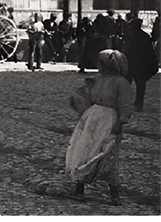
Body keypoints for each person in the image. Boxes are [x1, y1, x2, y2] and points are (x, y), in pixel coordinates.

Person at [66, 50, 134, 206]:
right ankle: (79, 189)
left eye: (100, 62)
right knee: (83, 149)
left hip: (108, 120)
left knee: (106, 153)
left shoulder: (121, 83)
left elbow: (125, 104)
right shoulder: (98, 79)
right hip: (91, 119)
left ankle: (114, 194)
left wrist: (120, 123)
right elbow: (88, 98)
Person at [121, 18, 158, 111]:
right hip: (142, 64)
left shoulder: (131, 36)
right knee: (140, 85)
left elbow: (127, 50)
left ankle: (127, 102)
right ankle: (139, 103)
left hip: (132, 63)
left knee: (127, 83)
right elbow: (150, 52)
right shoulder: (145, 36)